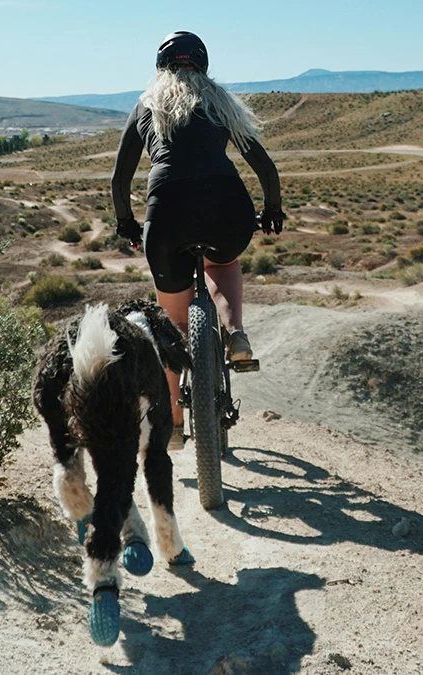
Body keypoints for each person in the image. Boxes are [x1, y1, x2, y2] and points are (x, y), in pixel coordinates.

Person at [111, 31, 284, 449]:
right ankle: (236, 334)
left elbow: (120, 178)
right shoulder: (220, 102)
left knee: (172, 324)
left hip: (167, 213)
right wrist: (272, 210)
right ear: (203, 64)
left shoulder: (147, 103)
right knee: (222, 264)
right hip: (227, 208)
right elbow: (263, 164)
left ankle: (171, 424)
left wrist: (127, 225)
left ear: (161, 65)